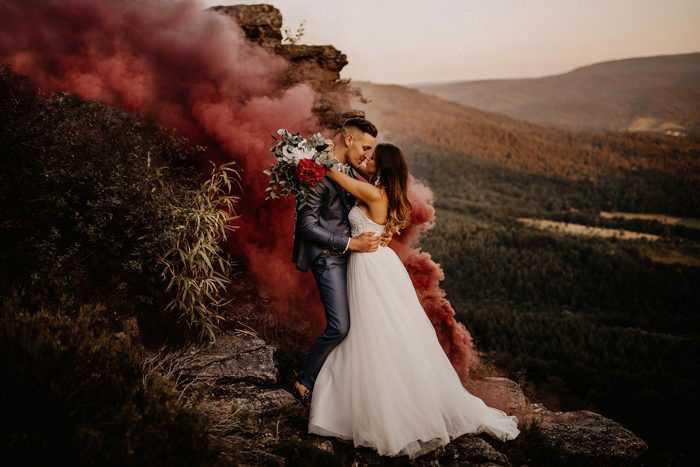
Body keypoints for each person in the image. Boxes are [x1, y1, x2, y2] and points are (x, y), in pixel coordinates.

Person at [307, 143, 521, 459]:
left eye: (372, 158)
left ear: (383, 167)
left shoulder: (375, 194)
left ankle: (380, 408)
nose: (367, 160)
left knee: (373, 332)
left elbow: (333, 174)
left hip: (371, 266)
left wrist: (310, 154)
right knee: (381, 331)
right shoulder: (382, 193)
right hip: (376, 262)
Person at [291, 118, 392, 404]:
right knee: (340, 327)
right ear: (348, 139)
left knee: (365, 324)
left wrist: (374, 234)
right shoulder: (314, 174)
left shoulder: (345, 170)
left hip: (352, 256)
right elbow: (306, 227)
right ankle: (304, 380)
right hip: (328, 257)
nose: (367, 155)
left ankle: (343, 390)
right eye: (365, 147)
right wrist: (352, 243)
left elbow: (361, 208)